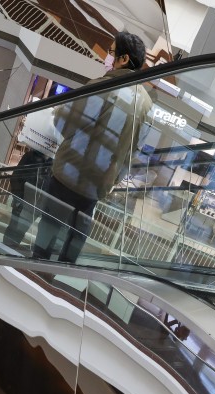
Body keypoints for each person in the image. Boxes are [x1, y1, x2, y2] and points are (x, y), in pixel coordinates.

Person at [31, 32, 152, 263]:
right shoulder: (146, 105)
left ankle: (35, 269)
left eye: (111, 52)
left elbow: (62, 122)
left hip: (67, 175)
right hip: (97, 186)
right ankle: (56, 279)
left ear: (124, 59)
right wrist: (112, 179)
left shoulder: (103, 86)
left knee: (48, 231)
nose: (108, 57)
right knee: (75, 237)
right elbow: (133, 154)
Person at [2, 147, 50, 247]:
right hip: (22, 201)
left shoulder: (52, 165)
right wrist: (18, 199)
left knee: (21, 231)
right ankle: (4, 250)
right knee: (13, 227)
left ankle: (10, 252)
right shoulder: (30, 156)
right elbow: (15, 177)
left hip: (35, 206)